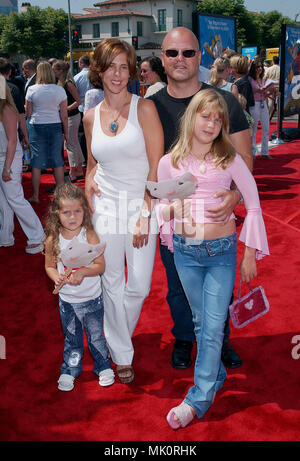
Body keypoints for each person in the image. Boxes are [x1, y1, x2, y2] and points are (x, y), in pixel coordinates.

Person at [155, 88, 269, 429]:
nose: (212, 124)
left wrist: (249, 253)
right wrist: (174, 206)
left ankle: (198, 398)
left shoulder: (230, 159)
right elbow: (161, 207)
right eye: (206, 116)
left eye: (218, 119)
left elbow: (253, 203)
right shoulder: (169, 162)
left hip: (221, 254)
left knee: (211, 326)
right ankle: (214, 375)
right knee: (204, 323)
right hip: (186, 254)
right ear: (192, 117)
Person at [148, 27, 252, 371]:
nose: (180, 59)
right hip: (175, 221)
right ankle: (184, 338)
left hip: (215, 218)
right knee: (178, 289)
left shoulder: (221, 101)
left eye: (188, 53)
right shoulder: (150, 106)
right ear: (162, 58)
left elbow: (244, 160)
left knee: (217, 288)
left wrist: (235, 195)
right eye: (173, 53)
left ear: (200, 57)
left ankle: (219, 340)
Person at [84, 38, 163, 384]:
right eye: (110, 66)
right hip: (106, 207)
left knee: (140, 285)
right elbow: (90, 165)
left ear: (131, 71)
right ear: (98, 70)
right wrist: (88, 186)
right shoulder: (88, 117)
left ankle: (114, 338)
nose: (117, 74)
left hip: (141, 203)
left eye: (124, 66)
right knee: (111, 281)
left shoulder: (144, 108)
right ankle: (122, 354)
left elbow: (156, 167)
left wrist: (146, 211)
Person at [44, 183, 114, 391]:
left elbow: (100, 265)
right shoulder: (52, 240)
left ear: (85, 211)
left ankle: (102, 365)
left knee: (96, 335)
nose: (72, 217)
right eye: (66, 212)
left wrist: (83, 271)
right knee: (72, 338)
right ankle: (70, 369)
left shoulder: (89, 235)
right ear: (57, 213)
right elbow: (49, 266)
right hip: (68, 301)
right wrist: (57, 277)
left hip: (92, 298)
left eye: (77, 211)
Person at [0, 75, 44, 253]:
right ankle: (5, 236)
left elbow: (12, 141)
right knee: (3, 201)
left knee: (15, 198)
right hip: (3, 157)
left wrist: (7, 167)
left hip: (9, 158)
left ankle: (38, 236)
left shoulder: (7, 110)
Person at [25, 61, 68, 203]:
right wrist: (66, 133)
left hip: (37, 126)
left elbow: (28, 112)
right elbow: (64, 115)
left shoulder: (32, 90)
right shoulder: (59, 90)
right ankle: (61, 196)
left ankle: (36, 196)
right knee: (58, 161)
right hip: (55, 125)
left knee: (36, 162)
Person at [52, 60, 85, 182]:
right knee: (74, 143)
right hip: (71, 116)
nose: (53, 72)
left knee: (70, 144)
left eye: (54, 70)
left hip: (71, 116)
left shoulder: (68, 83)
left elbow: (78, 101)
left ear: (60, 71)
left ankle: (73, 172)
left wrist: (65, 108)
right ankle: (79, 170)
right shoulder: (63, 83)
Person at [248, 58, 274, 159]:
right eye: (257, 67)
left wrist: (269, 92)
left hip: (263, 103)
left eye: (261, 67)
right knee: (254, 130)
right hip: (254, 104)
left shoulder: (263, 79)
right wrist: (259, 90)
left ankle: (265, 152)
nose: (259, 69)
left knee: (266, 128)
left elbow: (263, 93)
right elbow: (250, 93)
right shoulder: (250, 79)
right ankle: (253, 152)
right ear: (253, 68)